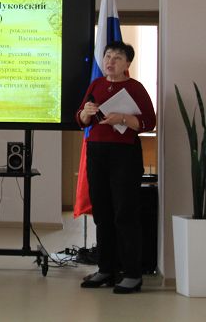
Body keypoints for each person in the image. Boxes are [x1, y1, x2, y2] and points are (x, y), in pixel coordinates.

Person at [76, 41, 156, 294]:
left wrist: (122, 118)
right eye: (108, 56)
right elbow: (80, 119)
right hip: (96, 151)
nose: (110, 61)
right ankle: (106, 269)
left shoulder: (135, 88)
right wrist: (86, 113)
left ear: (127, 63)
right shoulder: (96, 85)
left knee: (125, 213)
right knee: (102, 213)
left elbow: (149, 121)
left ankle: (132, 273)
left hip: (124, 154)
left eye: (117, 57)